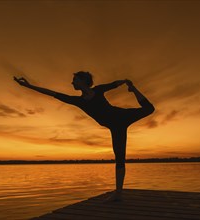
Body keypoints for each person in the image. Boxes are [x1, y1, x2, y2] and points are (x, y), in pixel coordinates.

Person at [14, 71, 155, 202]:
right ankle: (118, 193)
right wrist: (28, 86)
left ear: (83, 81)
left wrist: (126, 82)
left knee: (149, 109)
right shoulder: (79, 101)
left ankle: (134, 90)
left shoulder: (98, 90)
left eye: (74, 80)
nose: (72, 83)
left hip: (121, 116)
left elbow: (114, 84)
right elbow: (52, 93)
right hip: (115, 127)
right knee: (119, 157)